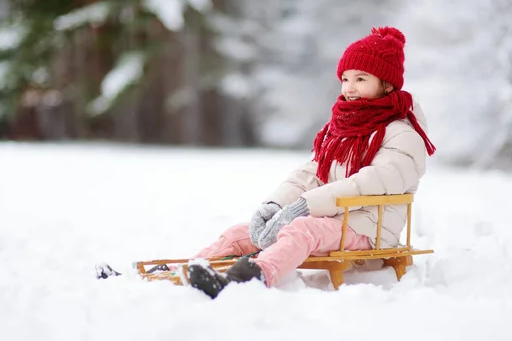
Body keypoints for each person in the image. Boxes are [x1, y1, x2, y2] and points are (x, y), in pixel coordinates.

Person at [187, 26, 436, 298]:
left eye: (361, 79)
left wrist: (307, 206)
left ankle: (255, 277)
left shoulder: (403, 135)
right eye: (345, 78)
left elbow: (368, 184)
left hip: (368, 226)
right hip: (333, 216)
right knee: (244, 232)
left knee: (303, 229)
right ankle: (193, 268)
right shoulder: (342, 128)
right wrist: (275, 205)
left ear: (386, 84)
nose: (349, 88)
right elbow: (313, 173)